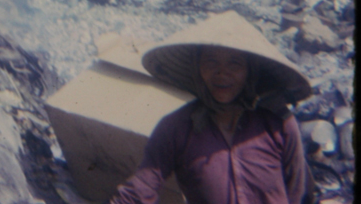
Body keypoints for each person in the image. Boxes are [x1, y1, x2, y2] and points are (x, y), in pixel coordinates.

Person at [111, 11, 315, 204]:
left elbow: (298, 194)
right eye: (211, 62)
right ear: (197, 68)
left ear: (249, 70)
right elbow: (140, 190)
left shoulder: (278, 123)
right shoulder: (176, 128)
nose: (222, 73)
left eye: (234, 64)